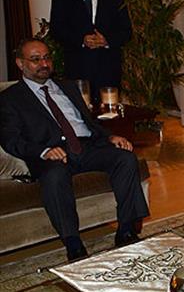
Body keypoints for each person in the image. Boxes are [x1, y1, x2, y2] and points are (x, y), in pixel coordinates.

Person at [0, 39, 149, 261]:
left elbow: (89, 122)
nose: (44, 64)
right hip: (53, 154)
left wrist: (110, 137)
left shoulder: (68, 87)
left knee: (125, 158)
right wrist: (43, 151)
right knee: (54, 175)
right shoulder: (10, 98)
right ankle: (73, 243)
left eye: (47, 57)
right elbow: (10, 139)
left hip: (87, 146)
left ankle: (126, 230)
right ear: (20, 63)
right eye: (35, 59)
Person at [50, 0, 131, 103]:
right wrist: (81, 39)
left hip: (108, 68)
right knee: (81, 112)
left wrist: (106, 40)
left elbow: (126, 31)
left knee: (109, 113)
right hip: (78, 68)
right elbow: (56, 30)